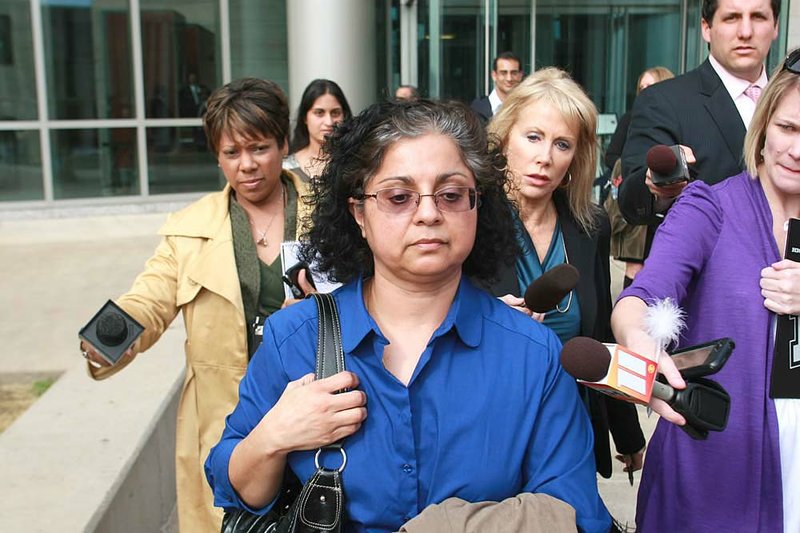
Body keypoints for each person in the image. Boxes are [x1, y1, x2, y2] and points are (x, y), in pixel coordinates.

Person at [205, 99, 613, 533]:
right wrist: (273, 437)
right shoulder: (295, 339)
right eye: (399, 197)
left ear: (478, 204)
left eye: (452, 194)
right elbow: (237, 491)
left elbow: (575, 511)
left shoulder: (533, 354)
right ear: (358, 212)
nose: (428, 213)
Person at [78, 78, 313, 532]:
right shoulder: (189, 229)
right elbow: (149, 297)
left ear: (283, 143)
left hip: (314, 408)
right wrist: (111, 336)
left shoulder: (329, 214)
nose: (246, 165)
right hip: (225, 421)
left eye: (260, 147)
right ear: (217, 154)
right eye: (231, 153)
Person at [611, 50, 800, 532]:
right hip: (715, 461)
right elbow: (644, 296)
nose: (796, 150)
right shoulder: (709, 205)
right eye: (788, 129)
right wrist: (639, 340)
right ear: (762, 129)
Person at [486, 68, 645, 483]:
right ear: (505, 137)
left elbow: (602, 334)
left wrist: (627, 432)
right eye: (533, 137)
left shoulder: (589, 225)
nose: (545, 158)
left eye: (562, 144)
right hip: (491, 426)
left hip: (572, 425)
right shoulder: (470, 220)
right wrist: (488, 319)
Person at [619, 0, 780, 255]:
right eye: (732, 18)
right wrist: (660, 187)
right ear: (706, 27)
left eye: (758, 17)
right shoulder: (664, 100)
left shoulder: (791, 99)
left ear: (776, 27)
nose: (746, 31)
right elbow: (630, 199)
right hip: (705, 279)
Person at [603, 66, 674, 172]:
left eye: (649, 87)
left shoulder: (675, 120)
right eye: (641, 88)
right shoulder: (629, 119)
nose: (644, 92)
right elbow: (611, 157)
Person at [283, 78, 352, 182]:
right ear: (305, 118)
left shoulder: (356, 164)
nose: (329, 122)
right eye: (319, 113)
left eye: (335, 113)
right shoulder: (286, 168)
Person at [470, 51, 523, 124]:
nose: (509, 78)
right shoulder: (477, 109)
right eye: (503, 73)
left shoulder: (526, 107)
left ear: (520, 75)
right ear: (494, 75)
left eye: (514, 73)